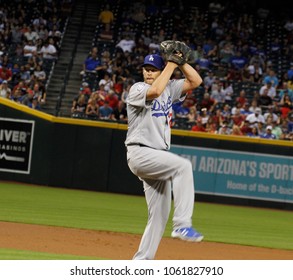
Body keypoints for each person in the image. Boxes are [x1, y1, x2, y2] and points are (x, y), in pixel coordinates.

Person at [124, 51, 204, 260]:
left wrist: (181, 62)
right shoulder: (137, 89)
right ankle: (182, 224)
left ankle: (141, 263)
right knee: (183, 166)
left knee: (159, 215)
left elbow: (196, 81)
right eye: (146, 69)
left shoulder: (171, 88)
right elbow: (156, 90)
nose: (149, 73)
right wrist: (170, 64)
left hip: (156, 157)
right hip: (140, 152)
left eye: (153, 70)